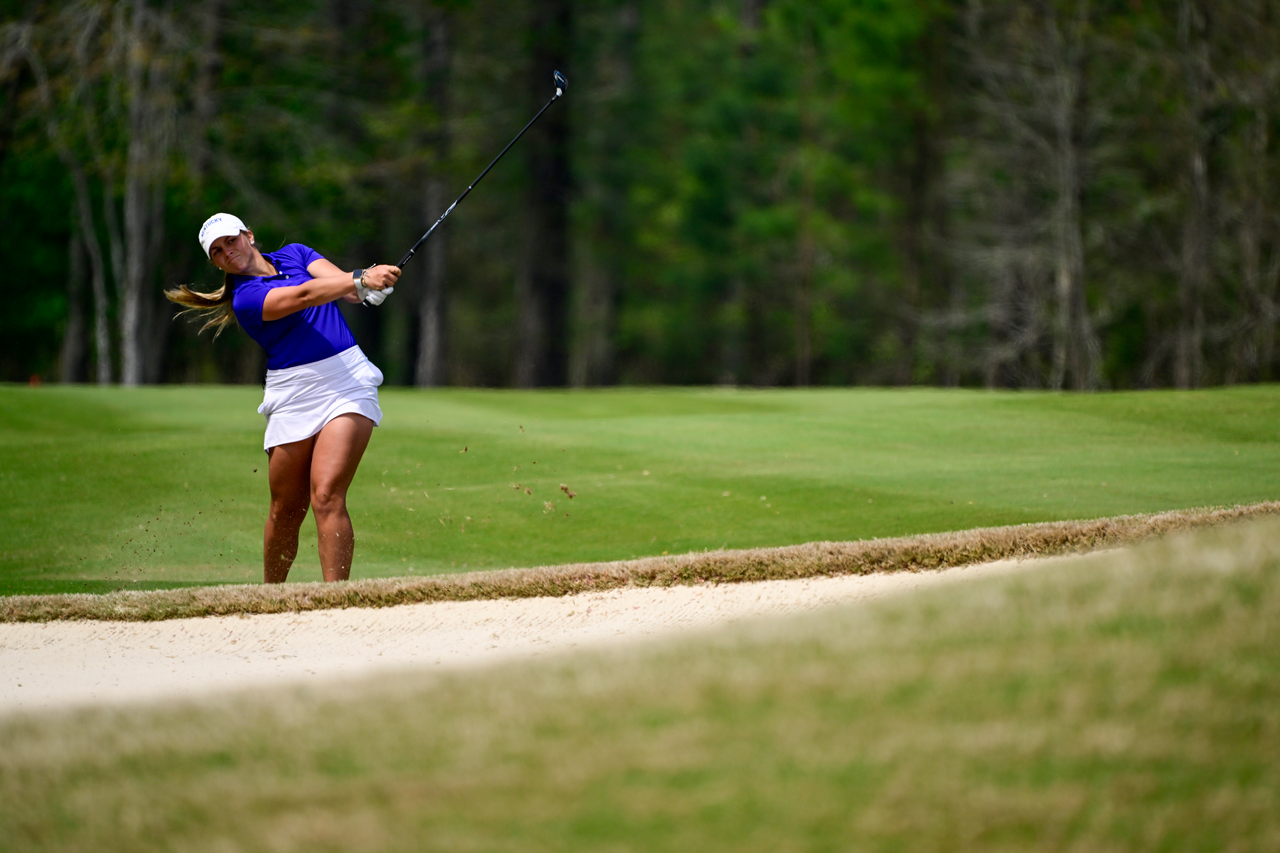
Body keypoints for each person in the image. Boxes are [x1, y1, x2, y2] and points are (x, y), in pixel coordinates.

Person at [166, 213, 400, 583]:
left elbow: (347, 290)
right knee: (286, 510)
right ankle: (271, 598)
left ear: (249, 236)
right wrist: (358, 278)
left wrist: (369, 286)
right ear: (214, 262)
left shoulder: (296, 253)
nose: (228, 251)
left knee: (326, 494)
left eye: (231, 240)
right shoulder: (246, 299)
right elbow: (305, 295)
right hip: (292, 393)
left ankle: (335, 603)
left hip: (348, 380)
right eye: (217, 251)